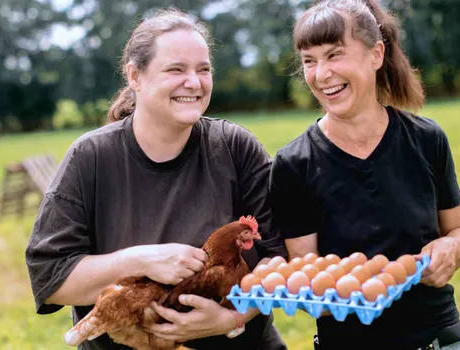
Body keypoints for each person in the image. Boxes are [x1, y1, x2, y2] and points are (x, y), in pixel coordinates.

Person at [25, 7, 287, 350]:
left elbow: (277, 254)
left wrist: (233, 318)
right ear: (135, 76)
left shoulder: (235, 147)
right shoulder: (91, 157)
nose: (193, 82)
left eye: (203, 70)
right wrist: (141, 260)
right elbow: (51, 276)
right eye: (176, 69)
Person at [269, 0, 460, 349]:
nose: (321, 74)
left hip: (438, 338)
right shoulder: (294, 164)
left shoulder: (426, 139)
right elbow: (308, 278)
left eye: (334, 55)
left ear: (376, 54)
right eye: (309, 61)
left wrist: (450, 248)